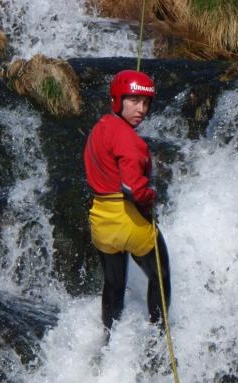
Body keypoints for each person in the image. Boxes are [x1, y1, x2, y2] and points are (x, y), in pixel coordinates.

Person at [84, 69, 171, 337]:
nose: (141, 109)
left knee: (113, 284)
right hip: (129, 221)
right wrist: (152, 197)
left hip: (101, 221)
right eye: (134, 101)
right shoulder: (131, 141)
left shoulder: (99, 129)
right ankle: (158, 340)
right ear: (118, 100)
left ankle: (108, 338)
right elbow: (133, 188)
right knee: (160, 276)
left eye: (145, 103)